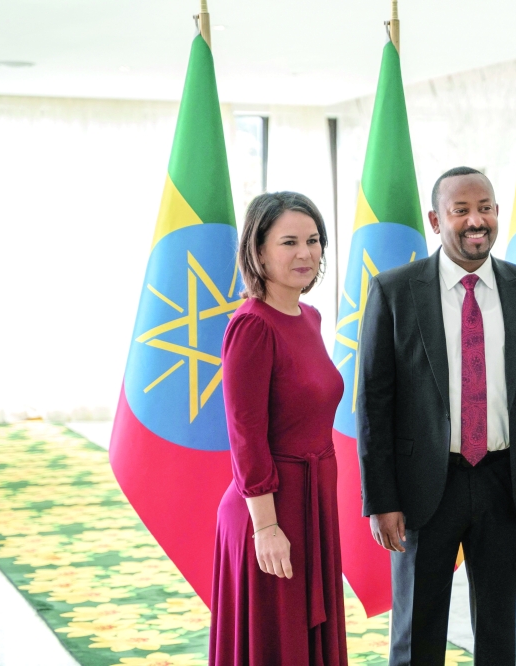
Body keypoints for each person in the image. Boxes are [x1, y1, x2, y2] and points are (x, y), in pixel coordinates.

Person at [356, 167, 516, 666]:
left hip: (503, 483)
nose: (477, 221)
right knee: (417, 631)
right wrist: (381, 499)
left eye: (486, 208)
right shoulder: (394, 291)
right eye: (461, 211)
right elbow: (373, 405)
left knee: (498, 631)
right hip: (422, 486)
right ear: (436, 220)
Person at [209, 192, 347, 666]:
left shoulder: (310, 317)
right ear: (259, 251)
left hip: (313, 502)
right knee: (275, 643)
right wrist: (266, 528)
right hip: (270, 510)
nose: (306, 253)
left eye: (313, 240)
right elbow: (245, 435)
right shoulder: (251, 326)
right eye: (289, 242)